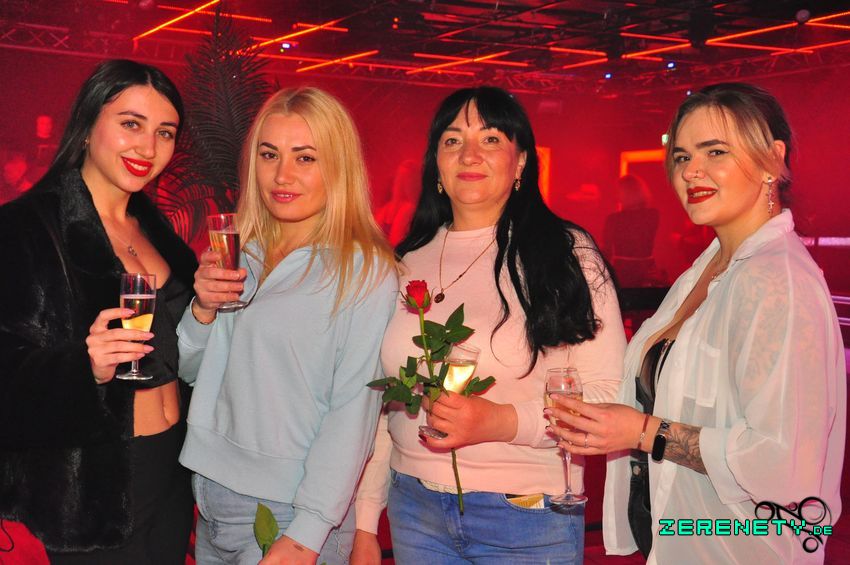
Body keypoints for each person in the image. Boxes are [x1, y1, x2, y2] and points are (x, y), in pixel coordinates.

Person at [547, 83, 846, 563]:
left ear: (772, 159)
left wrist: (642, 432)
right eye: (683, 156)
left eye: (715, 151)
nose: (691, 171)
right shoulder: (708, 269)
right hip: (684, 537)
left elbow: (782, 463)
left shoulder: (777, 281)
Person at [352, 86, 626, 563]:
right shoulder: (403, 261)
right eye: (453, 140)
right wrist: (365, 521)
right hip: (413, 508)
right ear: (436, 163)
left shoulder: (565, 254)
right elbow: (381, 406)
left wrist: (500, 421)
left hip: (526, 513)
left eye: (491, 139)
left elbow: (607, 396)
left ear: (521, 162)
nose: (469, 154)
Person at [176, 87, 398, 565]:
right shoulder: (242, 251)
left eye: (305, 158)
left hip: (291, 510)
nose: (282, 175)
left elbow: (353, 412)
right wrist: (202, 310)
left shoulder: (364, 270)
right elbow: (193, 373)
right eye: (269, 154)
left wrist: (307, 532)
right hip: (209, 497)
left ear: (338, 167)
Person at [0, 59, 197, 563]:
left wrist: (208, 309)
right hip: (93, 487)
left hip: (173, 471)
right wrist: (81, 367)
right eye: (131, 124)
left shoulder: (156, 230)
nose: (148, 148)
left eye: (165, 132)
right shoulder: (25, 228)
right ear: (88, 125)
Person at [602, 173, 663, 287]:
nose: (615, 194)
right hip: (647, 269)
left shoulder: (614, 219)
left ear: (626, 193)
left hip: (624, 271)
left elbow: (607, 250)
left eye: (618, 191)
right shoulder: (653, 215)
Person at [374, 158, 420, 245]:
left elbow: (395, 240)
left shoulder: (409, 208)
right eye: (401, 179)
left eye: (408, 180)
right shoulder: (389, 208)